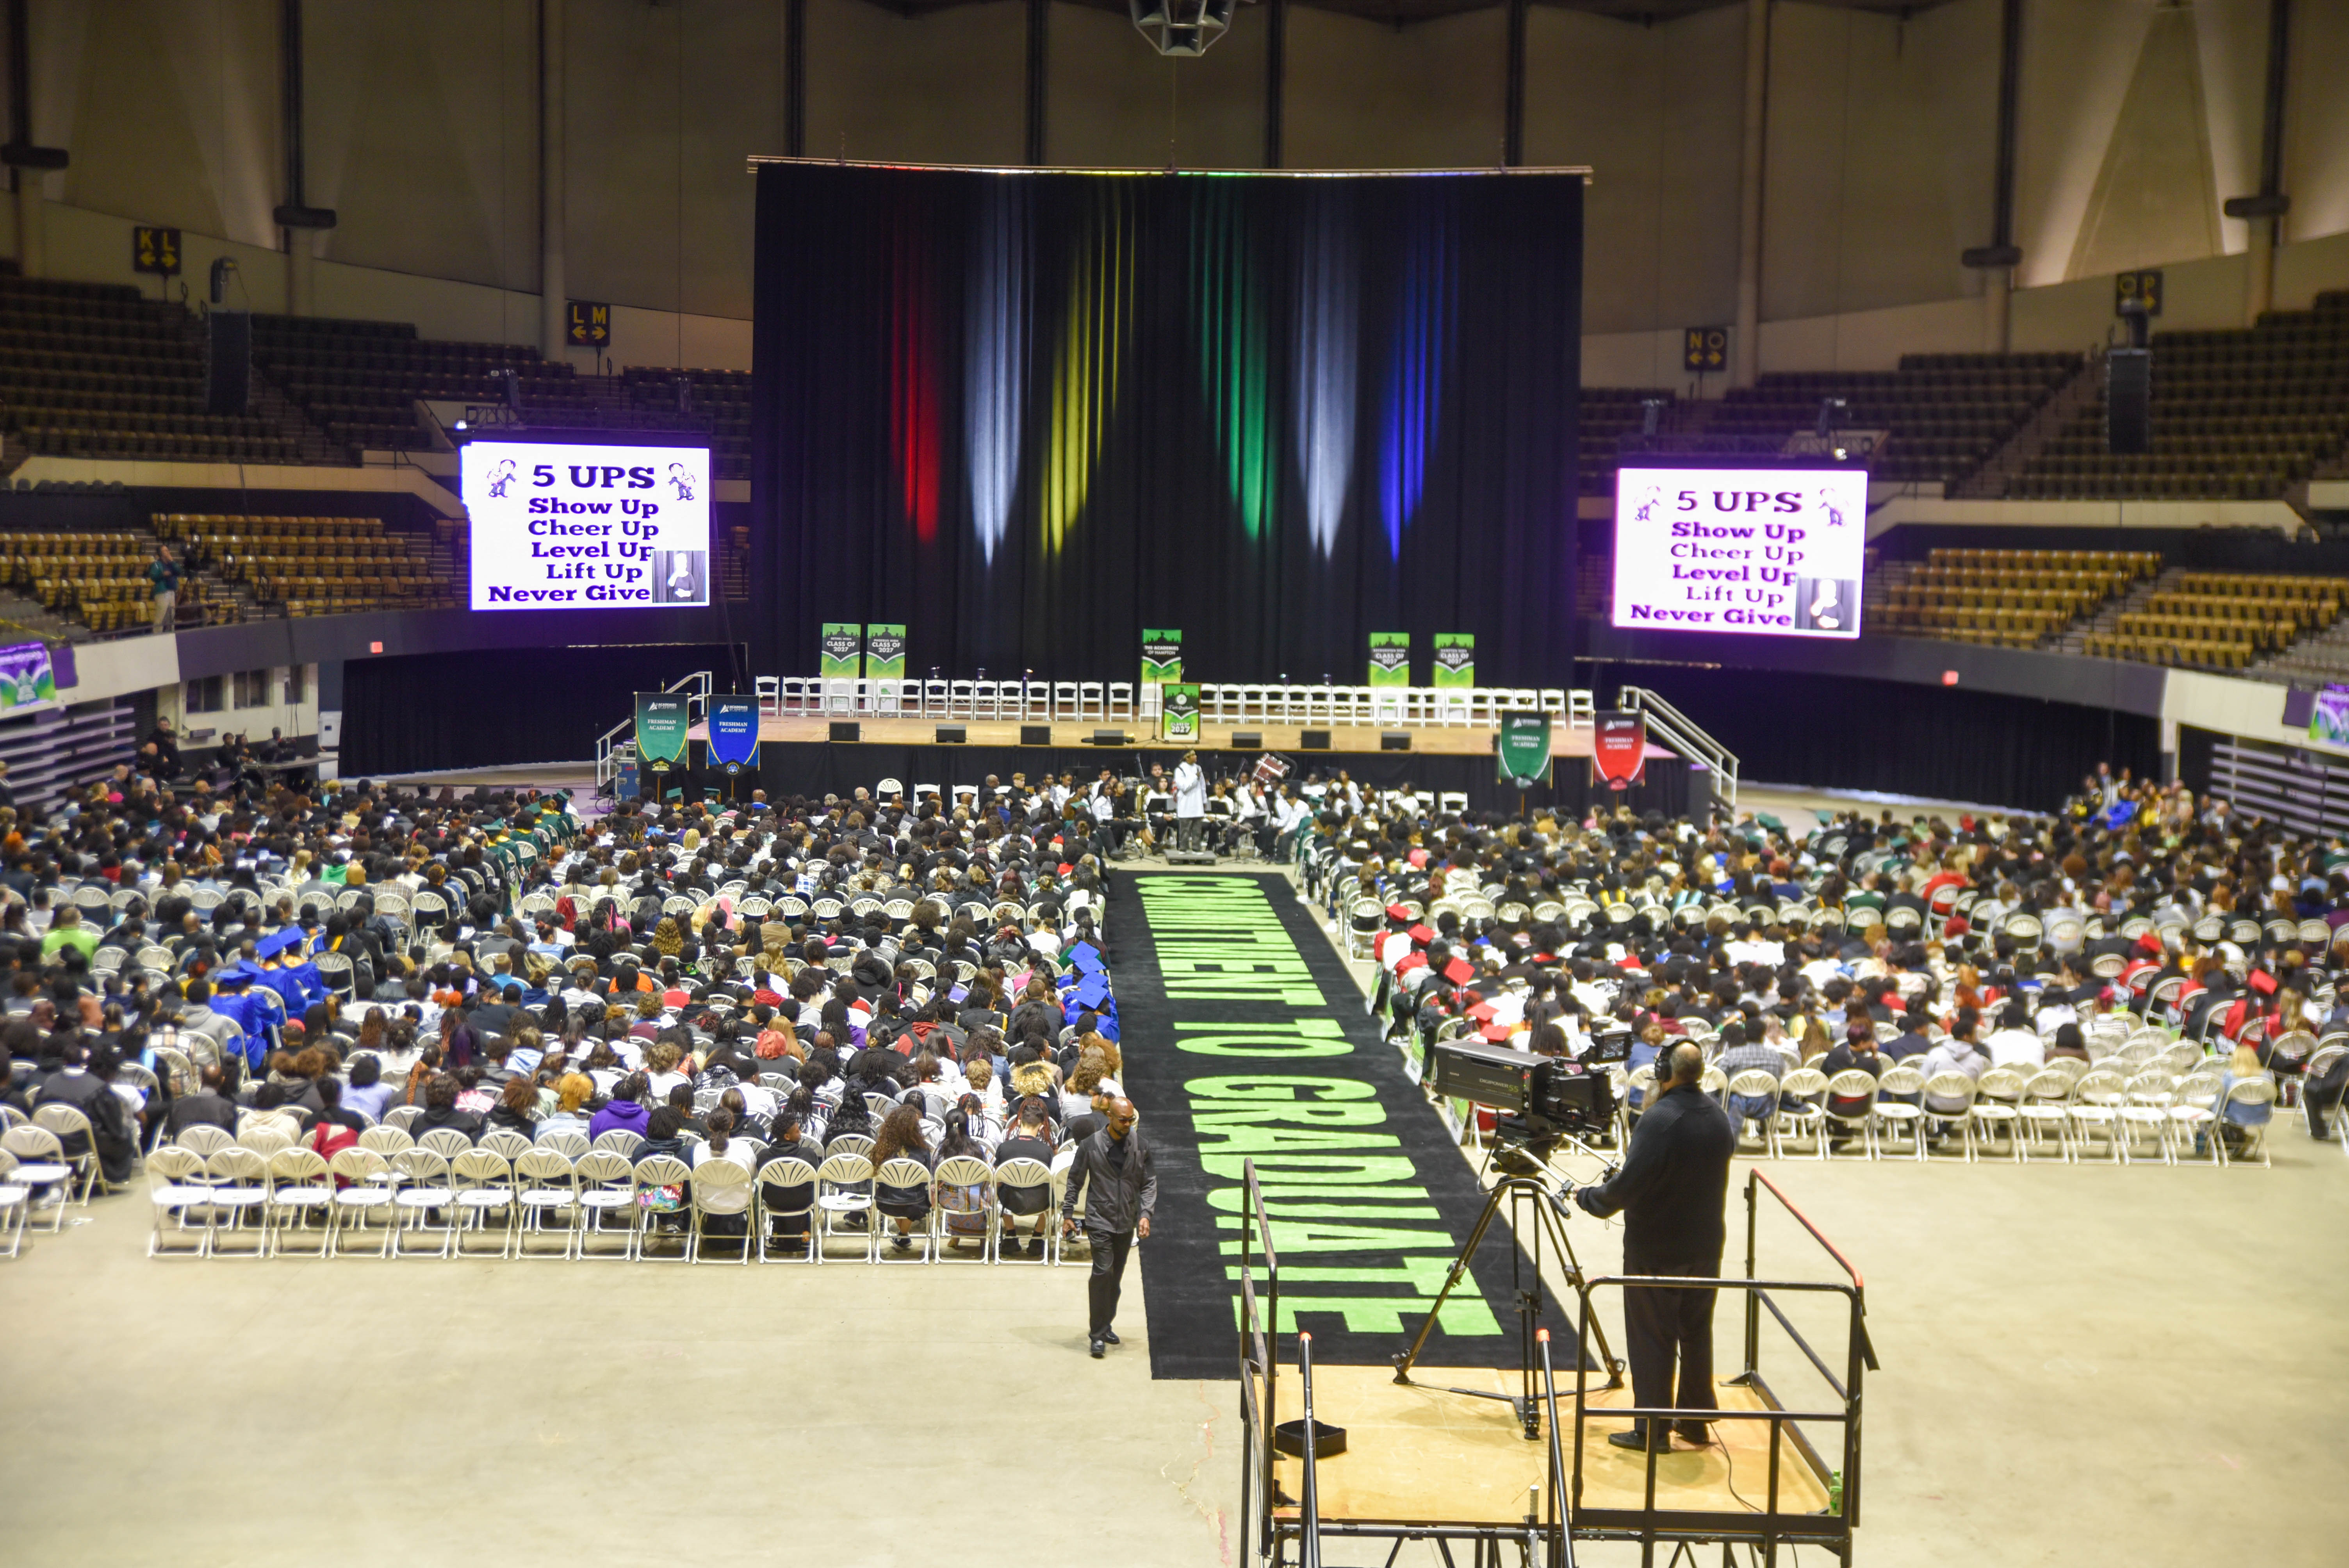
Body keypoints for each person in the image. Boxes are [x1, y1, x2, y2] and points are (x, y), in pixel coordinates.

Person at [1572, 1042, 1735, 1453]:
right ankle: (1695, 1421)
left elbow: (1625, 1189)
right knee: (1695, 1331)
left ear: (1664, 1072)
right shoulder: (1718, 1116)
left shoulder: (1659, 1119)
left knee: (1652, 1337)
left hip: (1658, 1249)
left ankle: (1652, 1430)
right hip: (1706, 1246)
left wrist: (1588, 1197)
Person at [1060, 1095, 1156, 1358]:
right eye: (1123, 1120)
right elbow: (1075, 1180)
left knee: (1115, 1279)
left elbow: (1149, 1182)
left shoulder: (1141, 1146)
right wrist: (1068, 1213)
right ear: (1110, 1117)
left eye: (1130, 1120)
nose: (1127, 1124)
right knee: (1102, 1273)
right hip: (1099, 1219)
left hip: (1126, 1220)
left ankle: (1106, 1324)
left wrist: (1145, 1214)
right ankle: (1097, 1334)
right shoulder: (1091, 1146)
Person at [1172, 751, 1207, 854]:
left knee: (1197, 828)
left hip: (1198, 802)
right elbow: (1184, 787)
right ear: (1187, 758)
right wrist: (1195, 777)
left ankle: (1196, 848)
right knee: (1185, 829)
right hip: (1186, 802)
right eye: (1193, 755)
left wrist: (1204, 800)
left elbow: (1203, 786)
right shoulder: (1180, 770)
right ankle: (1183, 848)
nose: (1196, 756)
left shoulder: (1198, 768)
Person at [146, 545, 180, 631]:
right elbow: (153, 576)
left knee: (171, 617)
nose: (168, 552)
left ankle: (171, 633)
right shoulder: (157, 564)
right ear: (161, 554)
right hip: (162, 593)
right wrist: (162, 574)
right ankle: (157, 635)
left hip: (172, 592)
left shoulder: (171, 564)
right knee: (160, 617)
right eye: (166, 551)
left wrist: (172, 562)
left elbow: (179, 571)